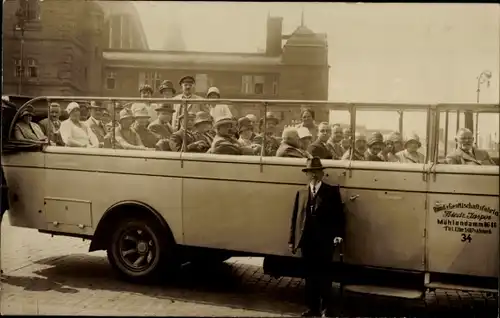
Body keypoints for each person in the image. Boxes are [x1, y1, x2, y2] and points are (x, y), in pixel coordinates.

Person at [289, 157, 345, 317]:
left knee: (325, 276)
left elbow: (339, 216)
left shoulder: (331, 192)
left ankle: (326, 309)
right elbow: (295, 218)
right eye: (310, 172)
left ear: (322, 174)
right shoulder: (301, 193)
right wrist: (292, 241)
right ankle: (312, 308)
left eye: (316, 172)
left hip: (324, 241)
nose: (313, 175)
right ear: (307, 175)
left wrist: (338, 235)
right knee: (309, 277)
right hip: (307, 242)